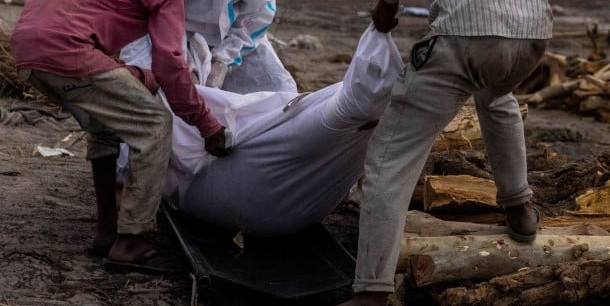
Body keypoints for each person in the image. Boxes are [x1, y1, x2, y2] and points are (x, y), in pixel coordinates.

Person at [295, 0, 553, 306]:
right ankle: (520, 206)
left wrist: (387, 3)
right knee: (495, 96)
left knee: (390, 159)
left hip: (466, 34)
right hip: (533, 35)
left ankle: (369, 299)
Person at [10, 0, 232, 273]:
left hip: (27, 52)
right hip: (65, 49)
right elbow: (171, 63)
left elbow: (108, 65)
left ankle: (106, 230)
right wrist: (208, 126)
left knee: (104, 125)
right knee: (155, 125)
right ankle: (132, 240)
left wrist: (141, 78)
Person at [120, 23, 403, 236]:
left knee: (309, 115)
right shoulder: (152, 49)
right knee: (320, 118)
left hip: (254, 189)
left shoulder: (204, 35)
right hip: (251, 191)